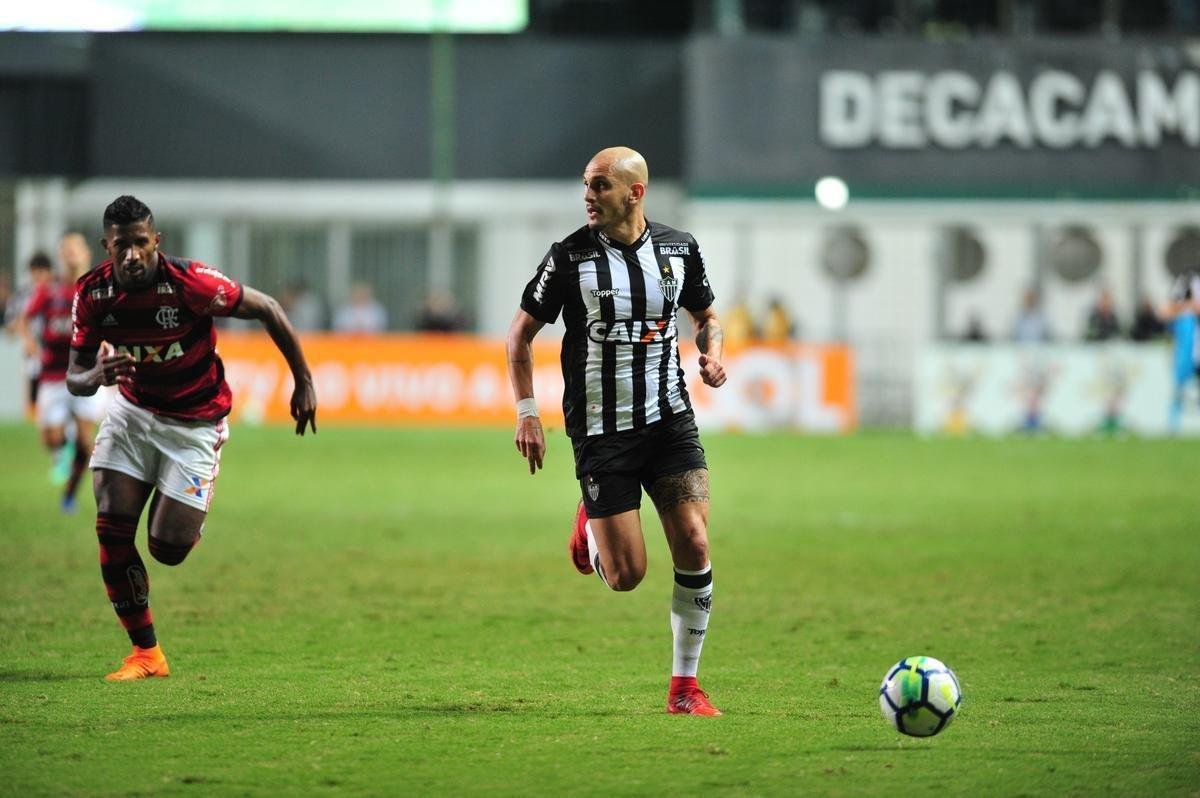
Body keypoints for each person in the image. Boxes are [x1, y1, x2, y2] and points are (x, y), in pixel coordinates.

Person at [506, 147, 728, 716]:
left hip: (670, 419)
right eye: (585, 184)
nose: (587, 195)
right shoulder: (569, 258)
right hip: (603, 433)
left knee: (696, 542)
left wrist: (712, 354)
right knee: (627, 576)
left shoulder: (679, 250)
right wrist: (527, 411)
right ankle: (591, 518)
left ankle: (685, 688)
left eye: (599, 185)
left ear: (635, 193)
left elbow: (706, 316)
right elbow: (519, 338)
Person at [67, 195, 317, 681]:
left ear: (156, 241)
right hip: (133, 414)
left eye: (141, 243)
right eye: (122, 245)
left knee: (167, 549)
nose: (132, 254)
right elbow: (74, 375)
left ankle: (184, 510)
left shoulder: (190, 283)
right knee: (111, 528)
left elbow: (267, 307)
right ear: (107, 247)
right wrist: (96, 373)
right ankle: (146, 653)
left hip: (195, 422)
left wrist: (303, 381)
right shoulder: (92, 294)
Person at [17, 233, 107, 511]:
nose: (70, 253)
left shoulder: (97, 289)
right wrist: (31, 344)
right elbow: (23, 320)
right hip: (53, 375)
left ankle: (69, 493)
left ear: (86, 253)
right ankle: (63, 447)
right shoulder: (49, 290)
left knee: (84, 441)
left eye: (75, 248)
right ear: (60, 255)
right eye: (65, 249)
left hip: (87, 372)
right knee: (52, 439)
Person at [6, 252, 54, 413]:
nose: (39, 276)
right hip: (29, 349)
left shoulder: (56, 293)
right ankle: (33, 417)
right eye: (35, 272)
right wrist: (25, 336)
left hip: (53, 347)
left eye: (42, 271)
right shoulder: (21, 296)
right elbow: (10, 323)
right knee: (32, 384)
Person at [1161, 272, 1200, 434]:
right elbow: (1165, 312)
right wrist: (1189, 306)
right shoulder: (1185, 282)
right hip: (1188, 349)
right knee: (1180, 387)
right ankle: (1174, 425)